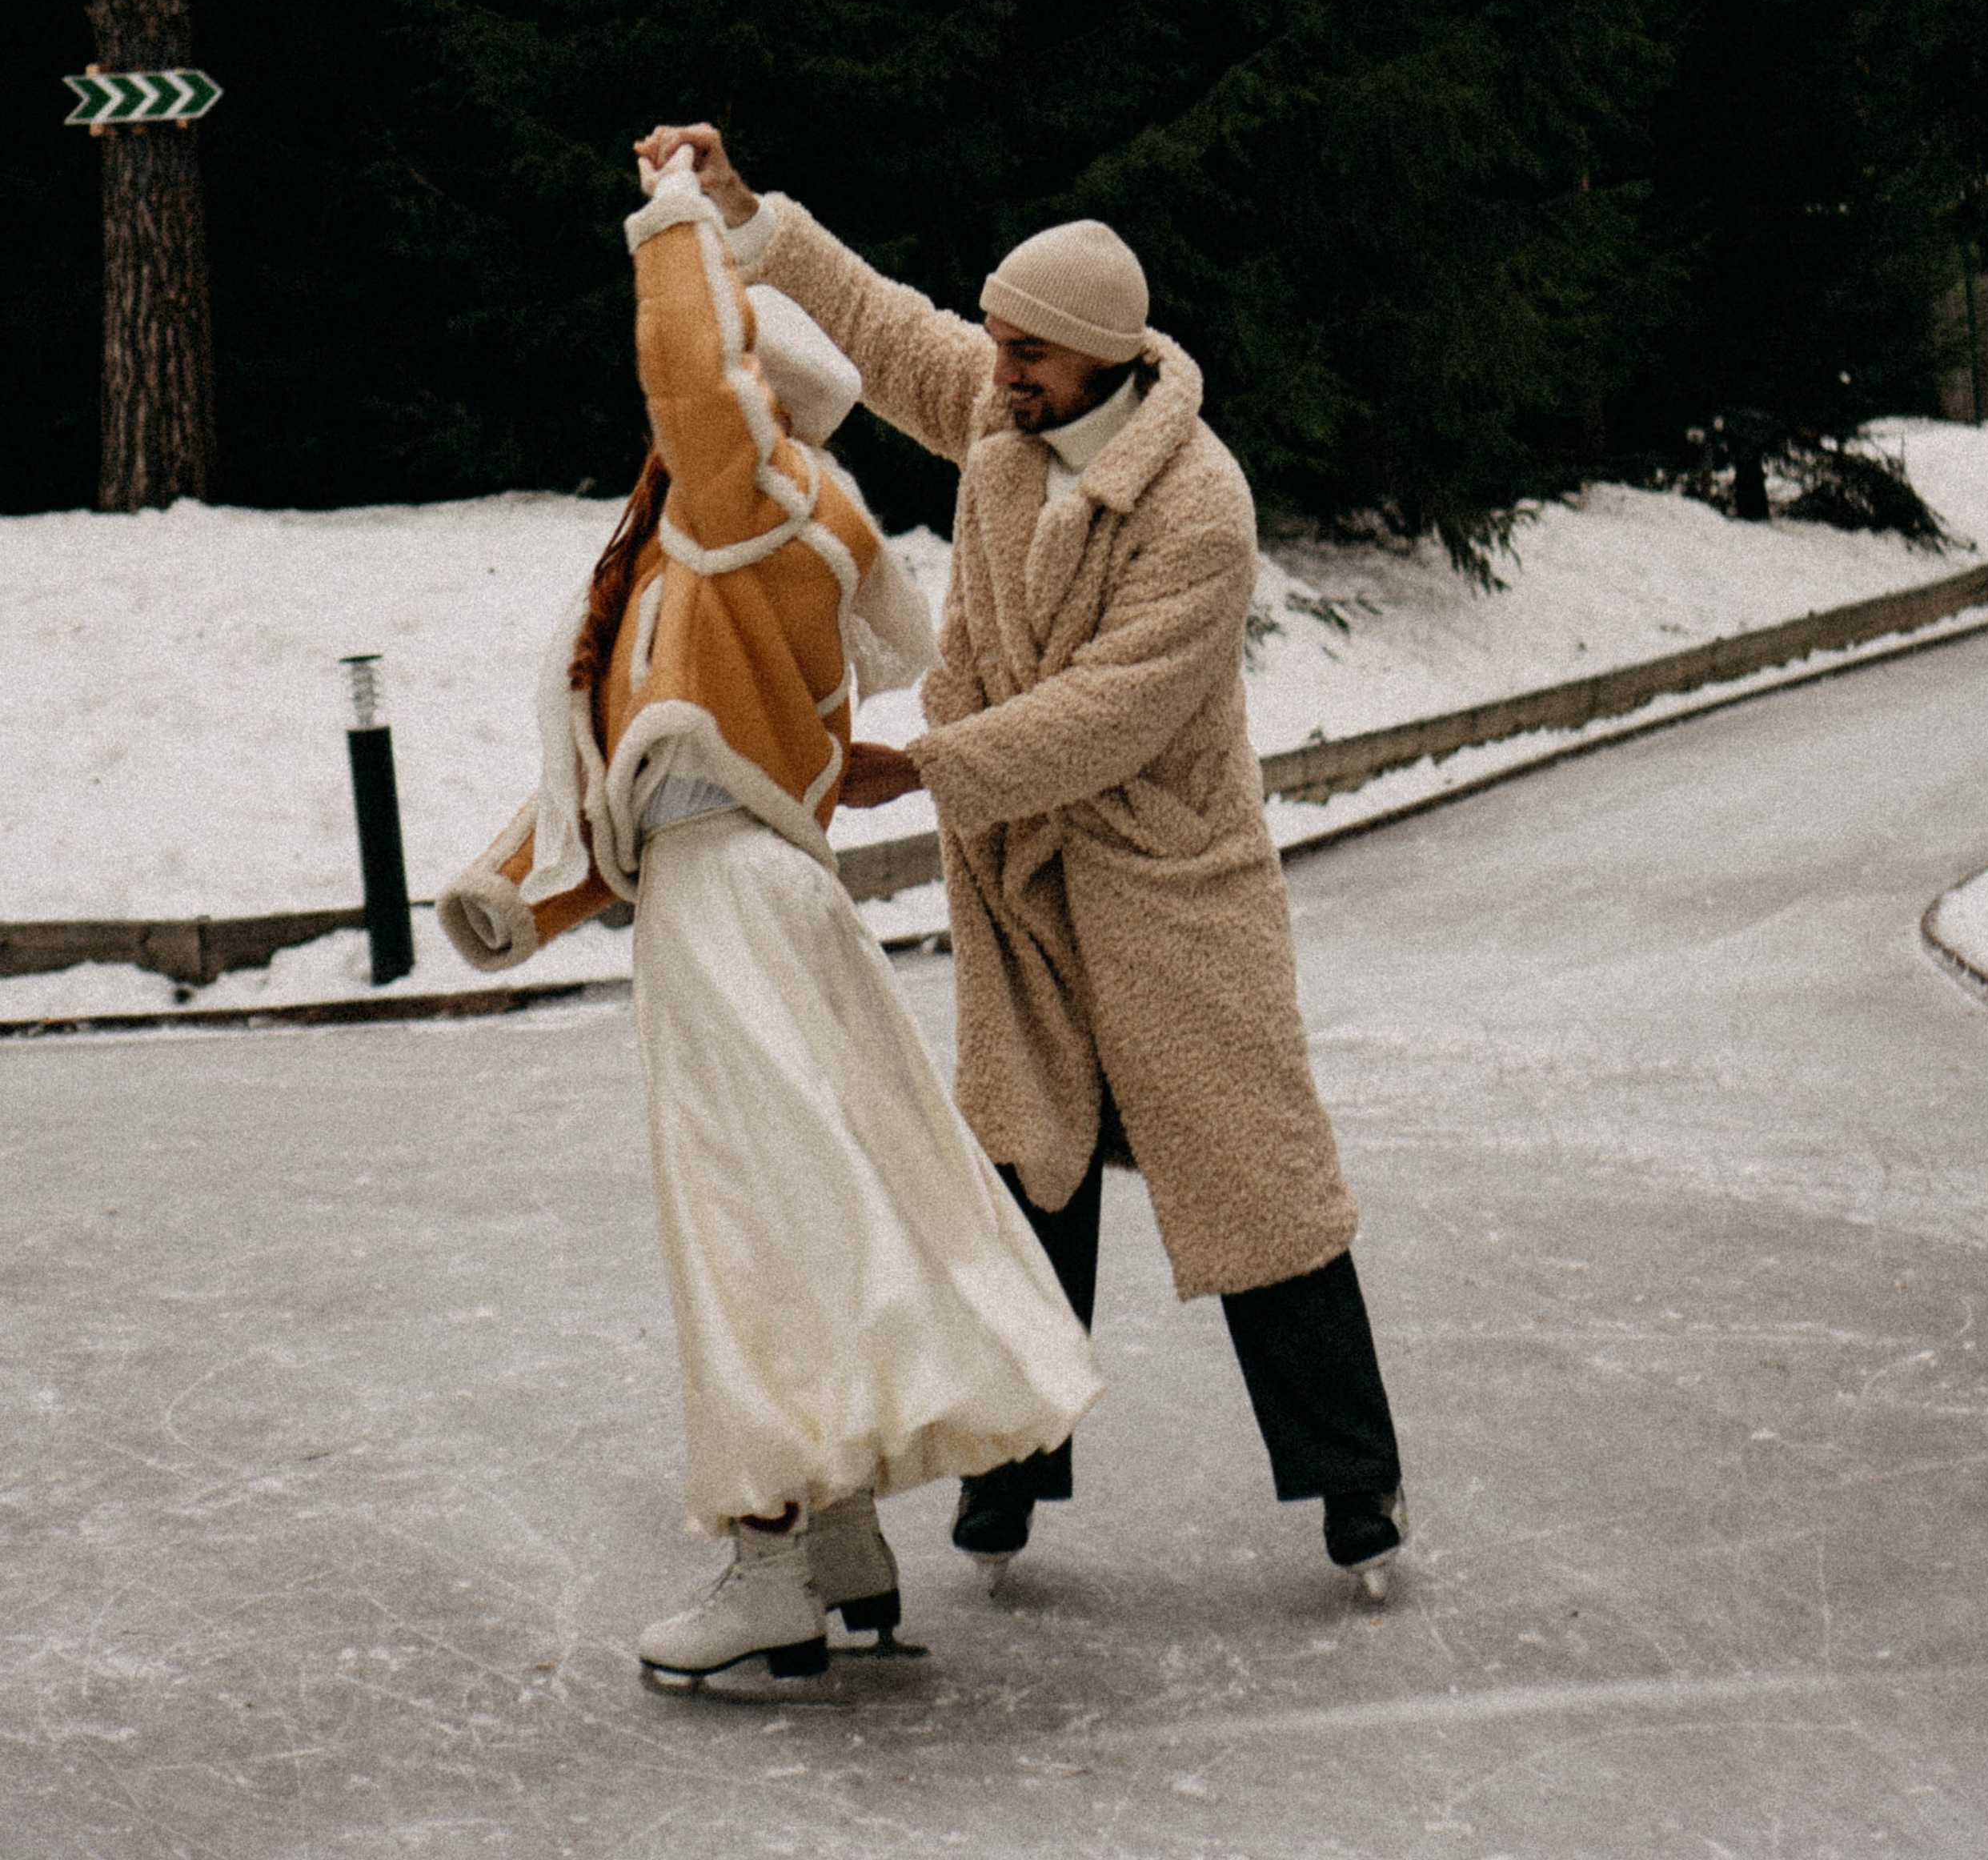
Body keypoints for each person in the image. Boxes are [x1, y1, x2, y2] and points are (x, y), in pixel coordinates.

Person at [638, 122, 1409, 1602]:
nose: (996, 375)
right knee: (1020, 1185)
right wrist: (746, 212)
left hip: (1172, 892)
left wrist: (921, 765)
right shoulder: (999, 423)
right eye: (996, 348)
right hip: (1028, 897)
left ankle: (1355, 1487)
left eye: (1028, 357)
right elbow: (881, 321)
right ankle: (1007, 1485)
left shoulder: (1201, 506)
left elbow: (1110, 716)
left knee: (1261, 1193)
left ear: (1104, 360)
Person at [438, 135, 1101, 1684]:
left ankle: (764, 1564)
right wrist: (517, 898)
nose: (665, 427)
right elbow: (650, 754)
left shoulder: (747, 501)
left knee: (746, 1227)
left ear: (755, 402)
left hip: (737, 911)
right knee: (801, 1212)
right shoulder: (707, 553)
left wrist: (680, 218)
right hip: (746, 899)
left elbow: (684, 369)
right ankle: (843, 1541)